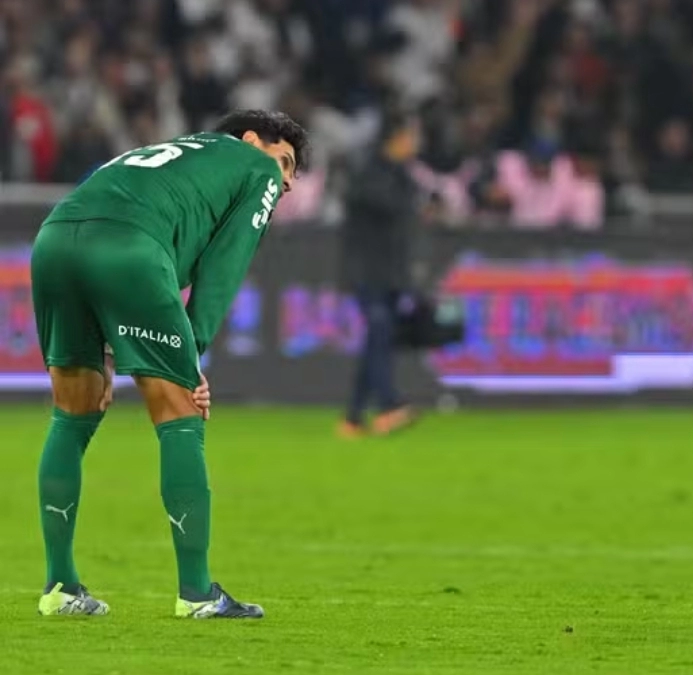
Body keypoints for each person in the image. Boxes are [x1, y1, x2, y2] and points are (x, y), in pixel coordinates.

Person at [31, 110, 309, 619]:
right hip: (130, 249)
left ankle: (60, 586)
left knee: (72, 414)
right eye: (286, 162)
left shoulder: (168, 153)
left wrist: (109, 350)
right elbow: (226, 265)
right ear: (251, 140)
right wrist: (191, 355)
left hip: (54, 241)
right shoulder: (254, 166)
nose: (286, 181)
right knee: (181, 415)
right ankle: (197, 594)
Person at [338, 112, 421, 437]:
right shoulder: (369, 173)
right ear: (395, 139)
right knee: (380, 330)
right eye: (409, 137)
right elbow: (384, 203)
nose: (414, 144)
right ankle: (389, 407)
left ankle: (352, 419)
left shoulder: (399, 174)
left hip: (390, 273)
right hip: (367, 271)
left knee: (378, 339)